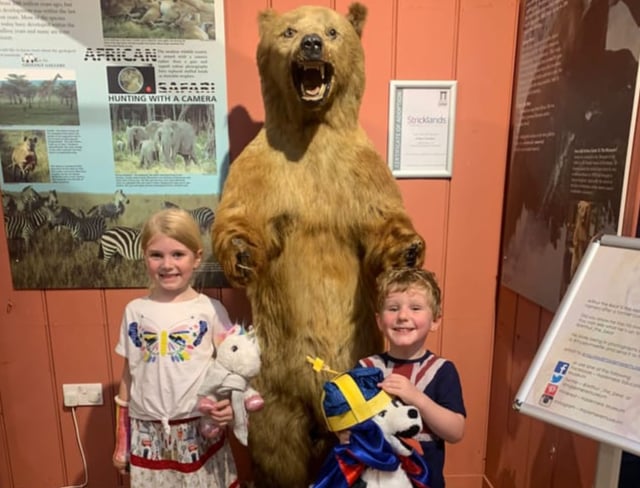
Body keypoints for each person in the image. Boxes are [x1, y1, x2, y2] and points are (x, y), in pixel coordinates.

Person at [111, 208, 238, 487]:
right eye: (157, 255)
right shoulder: (135, 312)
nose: (167, 264)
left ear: (197, 257)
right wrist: (123, 440)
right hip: (148, 434)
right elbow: (128, 377)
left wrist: (232, 405)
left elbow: (236, 366)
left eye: (178, 254)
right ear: (144, 256)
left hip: (199, 431)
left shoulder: (210, 310)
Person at [358, 267, 466, 488]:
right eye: (393, 308)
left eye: (415, 308)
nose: (403, 316)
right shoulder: (366, 368)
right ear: (379, 321)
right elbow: (349, 425)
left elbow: (455, 432)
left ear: (435, 321)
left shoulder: (441, 371)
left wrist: (417, 398)